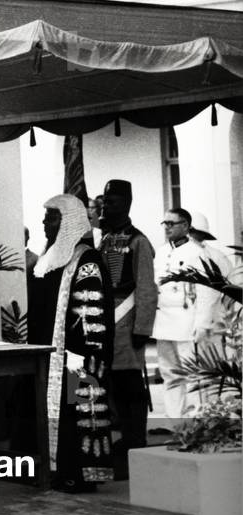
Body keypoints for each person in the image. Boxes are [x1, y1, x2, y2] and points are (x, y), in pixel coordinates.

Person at [27, 194, 115, 493]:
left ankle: (75, 474)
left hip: (77, 357)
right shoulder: (49, 258)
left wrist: (78, 358)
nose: (44, 222)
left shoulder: (87, 260)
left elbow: (91, 314)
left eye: (51, 217)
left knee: (76, 411)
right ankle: (49, 470)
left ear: (68, 221)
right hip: (47, 354)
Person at [97, 179, 157, 479]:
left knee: (130, 388)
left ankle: (137, 444)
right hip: (104, 322)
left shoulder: (138, 241)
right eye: (106, 200)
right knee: (110, 388)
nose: (108, 205)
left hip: (126, 324)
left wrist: (143, 327)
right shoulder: (102, 237)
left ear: (127, 203)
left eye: (114, 201)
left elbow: (146, 285)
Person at [152, 208, 220, 423]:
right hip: (164, 321)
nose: (168, 227)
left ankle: (195, 422)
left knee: (192, 375)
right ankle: (174, 422)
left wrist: (202, 322)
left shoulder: (197, 252)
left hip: (187, 320)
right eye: (165, 223)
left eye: (173, 223)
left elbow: (206, 291)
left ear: (186, 226)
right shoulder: (161, 252)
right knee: (170, 373)